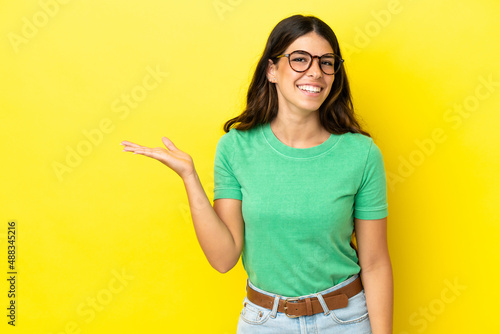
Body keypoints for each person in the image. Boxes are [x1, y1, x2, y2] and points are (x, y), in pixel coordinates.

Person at [121, 14, 393, 334]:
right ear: (272, 70)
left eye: (326, 62)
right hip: (265, 323)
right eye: (300, 60)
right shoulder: (236, 148)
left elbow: (374, 264)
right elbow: (224, 258)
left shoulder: (360, 154)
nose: (316, 72)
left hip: (345, 320)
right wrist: (190, 178)